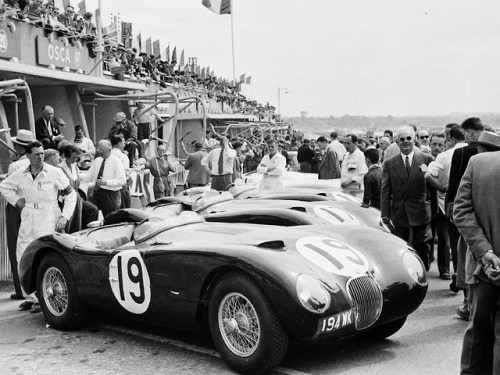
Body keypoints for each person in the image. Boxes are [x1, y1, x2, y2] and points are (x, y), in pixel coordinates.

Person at [0, 141, 76, 313]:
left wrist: (65, 216)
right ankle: (31, 297)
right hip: (28, 217)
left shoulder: (54, 172)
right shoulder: (20, 174)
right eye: (36, 154)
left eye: (42, 153)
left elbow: (71, 195)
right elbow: (4, 186)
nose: (40, 157)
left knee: (45, 258)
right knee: (23, 256)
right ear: (28, 156)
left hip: (48, 217)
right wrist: (16, 200)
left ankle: (46, 298)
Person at [453, 132, 500, 374]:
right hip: (486, 265)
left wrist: (485, 251)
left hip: (485, 267)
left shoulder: (479, 162)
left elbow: (460, 211)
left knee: (478, 332)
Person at [381, 126, 436, 270]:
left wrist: (433, 210)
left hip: (420, 211)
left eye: (408, 138)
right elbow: (386, 191)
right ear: (397, 143)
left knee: (421, 244)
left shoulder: (426, 160)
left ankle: (423, 269)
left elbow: (432, 188)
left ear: (414, 140)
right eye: (402, 139)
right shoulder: (389, 163)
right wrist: (385, 215)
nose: (406, 142)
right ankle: (406, 273)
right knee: (402, 245)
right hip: (400, 212)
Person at [446, 118, 485, 319]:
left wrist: (451, 212)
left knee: (464, 256)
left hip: (467, 215)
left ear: (469, 132)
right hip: (488, 216)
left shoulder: (462, 153)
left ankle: (467, 302)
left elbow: (454, 186)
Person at [425, 127, 467, 280]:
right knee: (427, 236)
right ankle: (427, 261)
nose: (436, 148)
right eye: (434, 144)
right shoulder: (425, 158)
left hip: (443, 204)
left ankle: (444, 269)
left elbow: (429, 177)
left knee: (444, 237)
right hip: (428, 203)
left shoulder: (445, 157)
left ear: (446, 144)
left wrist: (443, 189)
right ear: (429, 145)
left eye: (439, 145)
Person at [5, 129, 35, 300]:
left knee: (16, 245)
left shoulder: (15, 166)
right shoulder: (37, 163)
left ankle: (21, 289)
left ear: (19, 146)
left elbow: (10, 188)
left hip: (18, 207)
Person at [59, 144, 99, 231]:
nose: (75, 160)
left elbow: (80, 177)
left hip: (77, 197)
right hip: (66, 198)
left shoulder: (75, 167)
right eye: (73, 157)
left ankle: (87, 230)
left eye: (76, 157)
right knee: (73, 216)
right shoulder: (60, 169)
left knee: (93, 209)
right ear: (67, 156)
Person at [82, 140, 126, 217]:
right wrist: (75, 175)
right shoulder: (97, 160)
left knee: (110, 219)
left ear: (109, 150)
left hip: (111, 195)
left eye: (102, 149)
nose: (99, 151)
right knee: (88, 210)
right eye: (98, 148)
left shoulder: (116, 161)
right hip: (97, 193)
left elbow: (122, 181)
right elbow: (88, 176)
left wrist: (106, 182)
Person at [110, 135, 131, 208]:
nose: (124, 145)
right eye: (123, 143)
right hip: (121, 187)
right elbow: (126, 173)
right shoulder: (122, 156)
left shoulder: (107, 155)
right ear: (119, 143)